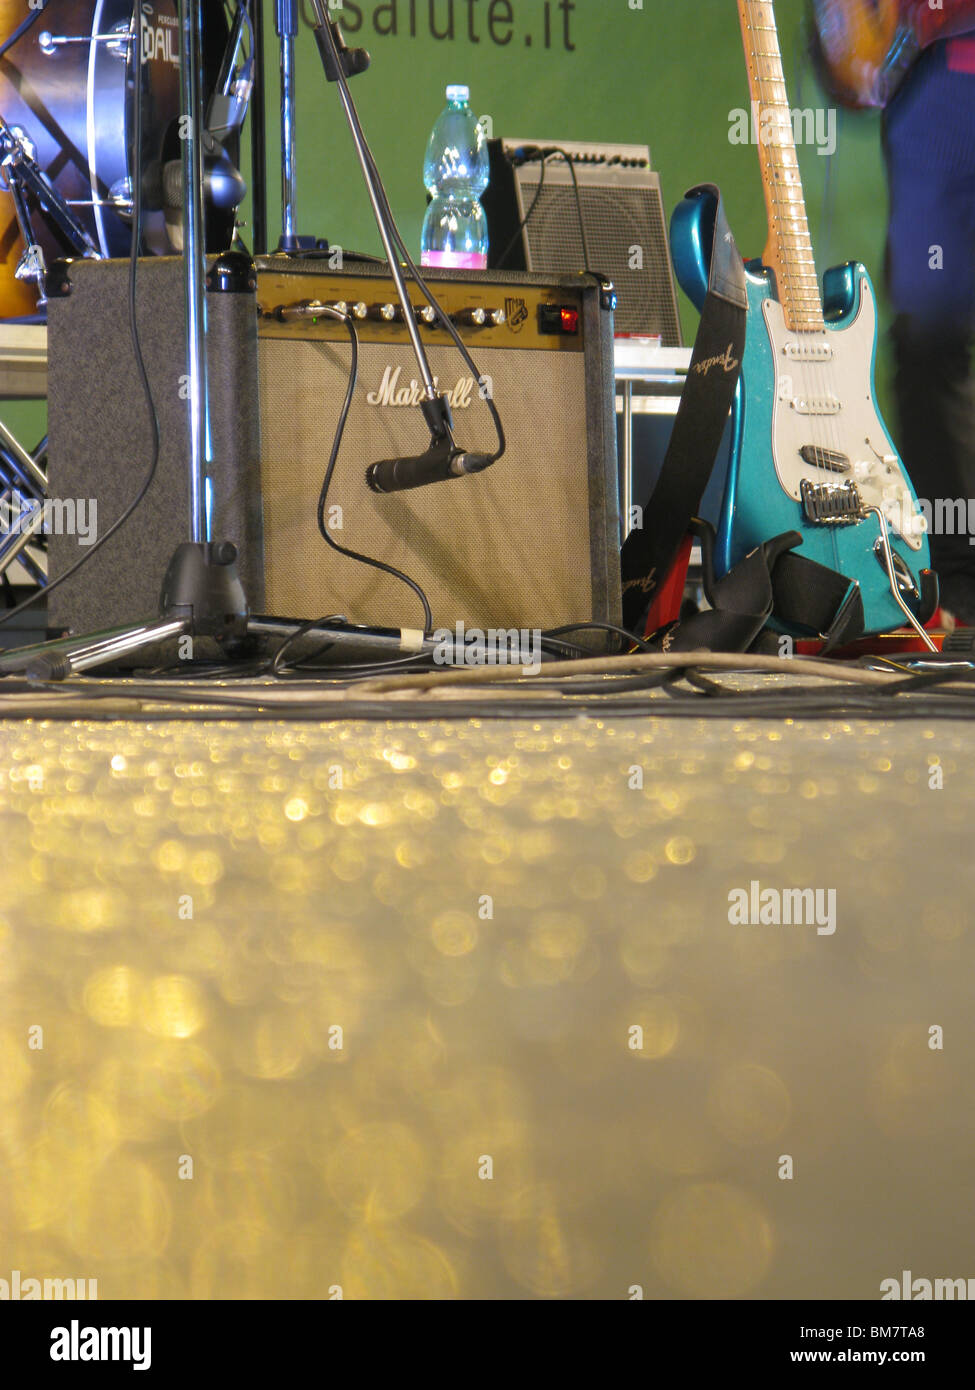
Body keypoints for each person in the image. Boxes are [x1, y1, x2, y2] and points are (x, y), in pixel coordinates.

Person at [883, 28, 975, 624]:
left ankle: (961, 591)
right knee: (929, 339)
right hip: (946, 68)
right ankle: (959, 587)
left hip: (954, 70)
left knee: (929, 338)